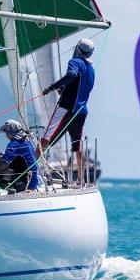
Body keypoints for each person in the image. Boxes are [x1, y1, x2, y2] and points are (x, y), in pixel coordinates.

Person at [40, 38, 96, 185]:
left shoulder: (75, 62)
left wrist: (52, 87)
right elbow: (80, 89)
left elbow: (72, 75)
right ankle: (80, 179)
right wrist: (63, 90)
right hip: (82, 111)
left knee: (46, 138)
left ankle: (32, 174)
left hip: (67, 108)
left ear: (77, 49)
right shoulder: (91, 70)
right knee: (77, 145)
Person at [0, 120, 40, 191]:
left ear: (9, 133)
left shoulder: (14, 144)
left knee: (3, 171)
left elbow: (5, 162)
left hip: (26, 184)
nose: (6, 136)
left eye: (6, 133)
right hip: (33, 181)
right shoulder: (28, 141)